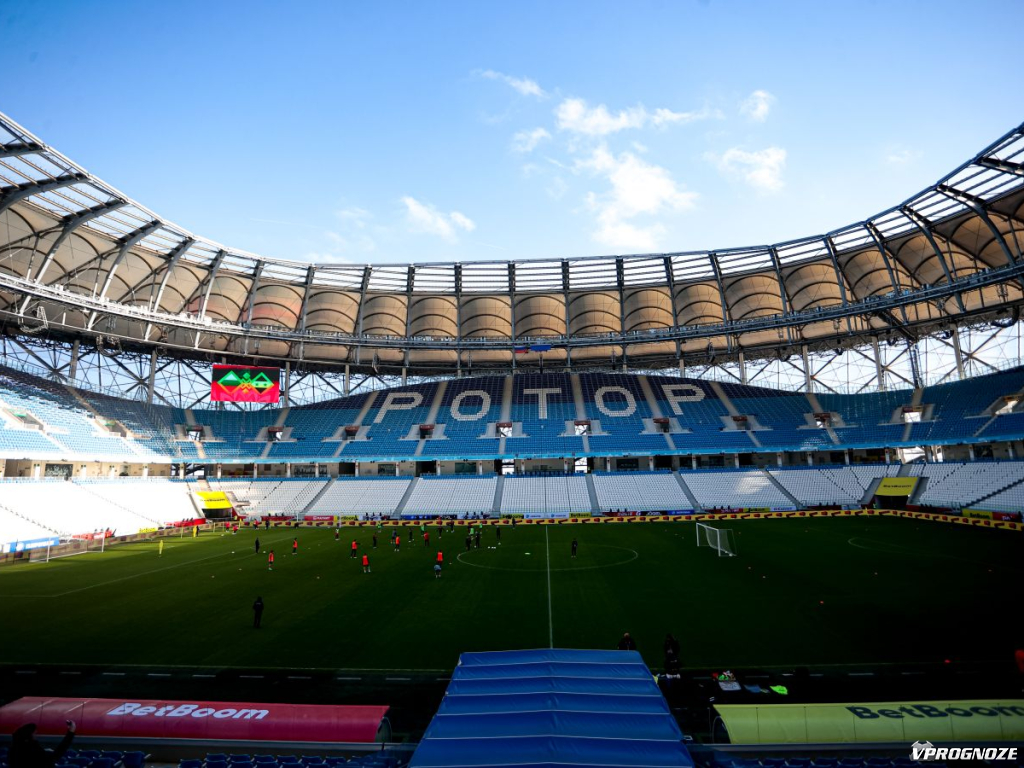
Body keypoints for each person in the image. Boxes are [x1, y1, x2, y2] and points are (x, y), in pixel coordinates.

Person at [10, 719, 76, 768]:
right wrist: (70, 733)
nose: (36, 736)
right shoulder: (32, 749)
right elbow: (55, 756)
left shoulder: (14, 749)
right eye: (35, 734)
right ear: (29, 735)